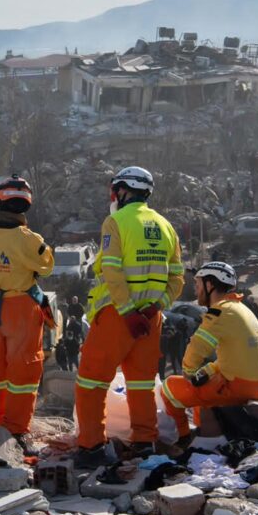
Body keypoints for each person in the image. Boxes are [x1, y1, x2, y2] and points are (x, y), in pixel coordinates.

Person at [75, 167, 184, 468]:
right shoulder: (166, 227)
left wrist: (127, 311)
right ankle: (144, 442)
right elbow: (177, 279)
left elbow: (111, 269)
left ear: (122, 191)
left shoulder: (116, 222)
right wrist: (154, 306)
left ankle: (91, 447)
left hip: (117, 316)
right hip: (151, 320)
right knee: (141, 384)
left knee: (91, 382)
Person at [0, 175, 55, 439]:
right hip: (21, 308)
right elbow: (47, 266)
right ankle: (16, 428)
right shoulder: (29, 239)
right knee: (24, 368)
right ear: (26, 206)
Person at [160, 262, 258, 445]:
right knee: (204, 384)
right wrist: (209, 370)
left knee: (169, 388)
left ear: (210, 285)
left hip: (239, 386)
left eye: (198, 285)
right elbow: (234, 357)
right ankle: (204, 431)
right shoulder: (240, 308)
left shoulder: (220, 312)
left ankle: (183, 438)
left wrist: (188, 372)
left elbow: (197, 347)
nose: (196, 291)